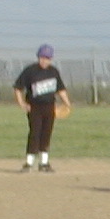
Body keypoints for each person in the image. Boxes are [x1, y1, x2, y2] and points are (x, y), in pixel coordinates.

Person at [13, 44, 71, 172]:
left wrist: (67, 103)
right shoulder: (30, 71)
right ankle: (29, 163)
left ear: (51, 59)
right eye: (42, 57)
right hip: (34, 107)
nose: (44, 60)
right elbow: (18, 88)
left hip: (50, 107)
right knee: (35, 133)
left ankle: (44, 163)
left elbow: (60, 89)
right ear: (38, 57)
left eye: (47, 58)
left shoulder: (53, 72)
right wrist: (22, 103)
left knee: (46, 133)